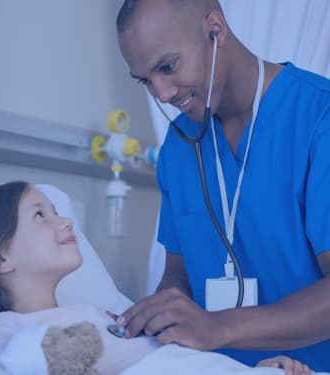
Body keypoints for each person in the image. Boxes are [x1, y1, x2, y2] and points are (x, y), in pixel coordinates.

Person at [115, 0, 330, 372]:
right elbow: (178, 275)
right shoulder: (179, 144)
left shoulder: (317, 117)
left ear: (215, 30)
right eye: (146, 80)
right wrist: (158, 317)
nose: (162, 93)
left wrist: (218, 327)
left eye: (167, 67)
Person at [0, 182, 311, 375]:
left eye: (58, 211)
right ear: (0, 257)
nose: (65, 221)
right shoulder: (3, 329)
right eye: (40, 215)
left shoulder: (104, 313)